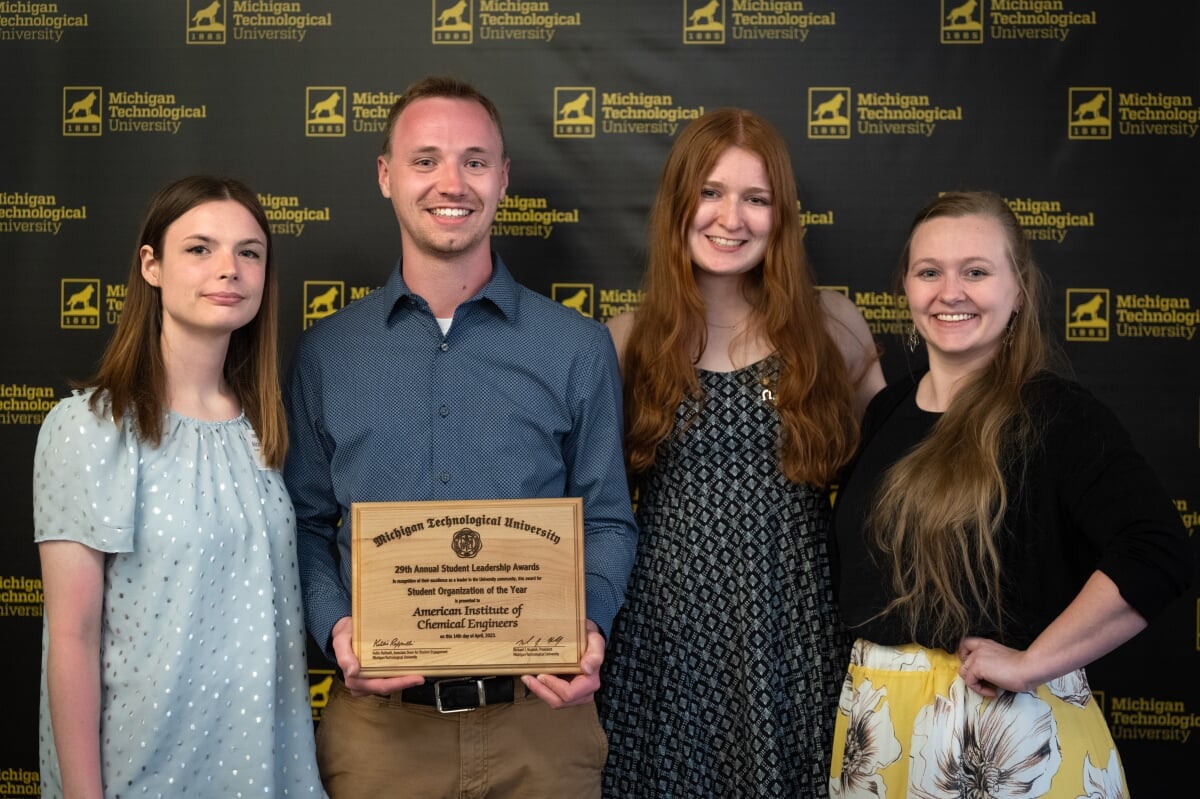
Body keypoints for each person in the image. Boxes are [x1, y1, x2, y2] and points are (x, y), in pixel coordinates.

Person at [283, 75, 637, 798]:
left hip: (543, 726)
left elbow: (606, 519)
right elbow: (307, 525)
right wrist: (338, 628)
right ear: (386, 176)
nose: (453, 181)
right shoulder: (326, 353)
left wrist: (591, 625)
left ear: (503, 178)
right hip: (380, 734)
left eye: (475, 161)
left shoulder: (576, 347)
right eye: (426, 159)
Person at [829, 190, 1193, 798]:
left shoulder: (1056, 415)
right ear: (907, 289)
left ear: (1018, 289)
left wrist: (1033, 662)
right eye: (930, 272)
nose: (952, 291)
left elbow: (1156, 550)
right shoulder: (889, 410)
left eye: (976, 271)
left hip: (1004, 739)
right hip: (881, 732)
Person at [598, 108, 884, 797]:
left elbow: (898, 482)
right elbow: (582, 505)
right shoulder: (623, 341)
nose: (732, 217)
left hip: (795, 635)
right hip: (665, 641)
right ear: (678, 203)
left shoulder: (833, 325)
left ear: (781, 214)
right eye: (711, 192)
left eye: (756, 198)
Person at [33, 175, 325, 798]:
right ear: (152, 265)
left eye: (249, 252)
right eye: (199, 249)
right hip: (141, 775)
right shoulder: (90, 429)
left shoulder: (267, 430)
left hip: (268, 774)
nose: (229, 269)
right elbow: (73, 638)